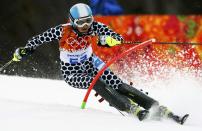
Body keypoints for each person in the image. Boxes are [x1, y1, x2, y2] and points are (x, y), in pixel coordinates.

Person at [13, 3, 188, 123]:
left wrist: (109, 41)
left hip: (91, 63)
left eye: (88, 20)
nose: (86, 26)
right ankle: (130, 108)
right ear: (72, 21)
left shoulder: (94, 26)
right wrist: (25, 50)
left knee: (118, 85)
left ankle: (160, 108)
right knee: (93, 81)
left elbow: (115, 37)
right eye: (81, 22)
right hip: (71, 72)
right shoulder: (62, 31)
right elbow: (37, 39)